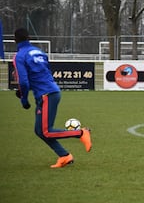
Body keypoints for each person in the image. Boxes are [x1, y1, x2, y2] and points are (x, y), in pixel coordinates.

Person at [13, 28, 92, 168]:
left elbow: (23, 81)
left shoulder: (19, 56)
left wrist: (23, 99)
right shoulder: (39, 52)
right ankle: (64, 156)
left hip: (46, 94)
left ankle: (81, 133)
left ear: (15, 40)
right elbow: (45, 72)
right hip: (50, 92)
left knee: (46, 131)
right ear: (29, 38)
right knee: (40, 131)